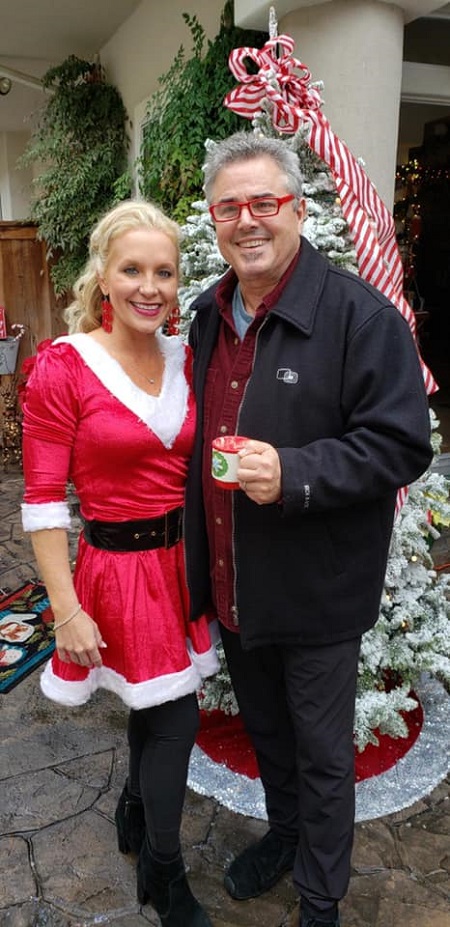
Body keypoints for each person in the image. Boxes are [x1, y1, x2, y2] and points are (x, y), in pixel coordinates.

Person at [183, 133, 433, 927]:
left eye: (265, 203)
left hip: (319, 588)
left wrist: (292, 471)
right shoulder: (207, 315)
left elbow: (401, 444)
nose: (247, 220)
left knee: (324, 754)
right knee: (267, 732)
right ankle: (285, 836)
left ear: (297, 210)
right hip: (234, 578)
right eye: (231, 207)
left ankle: (321, 898)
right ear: (215, 220)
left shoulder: (360, 318)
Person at [21, 200, 218, 927]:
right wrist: (66, 609)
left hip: (179, 566)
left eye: (163, 271)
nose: (149, 285)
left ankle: (136, 803)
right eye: (132, 268)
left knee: (155, 703)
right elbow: (42, 502)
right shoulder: (64, 366)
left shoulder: (186, 357)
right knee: (177, 717)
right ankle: (166, 873)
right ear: (103, 275)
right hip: (115, 570)